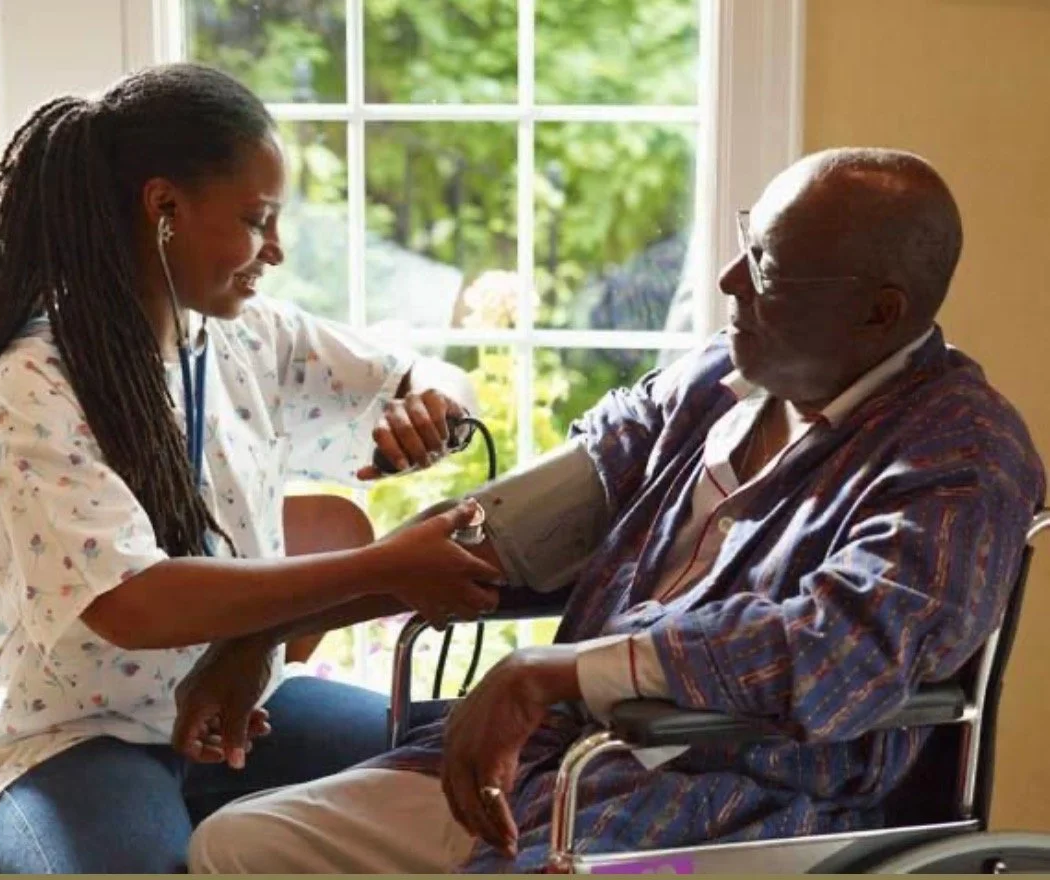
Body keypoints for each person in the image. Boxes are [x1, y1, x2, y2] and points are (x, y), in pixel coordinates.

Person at [188, 147, 1047, 874]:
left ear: (879, 312)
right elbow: (507, 528)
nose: (728, 278)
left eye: (771, 268)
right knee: (241, 845)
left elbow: (838, 650)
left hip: (750, 795)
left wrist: (557, 670)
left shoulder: (962, 454)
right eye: (750, 242)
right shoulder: (719, 378)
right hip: (558, 761)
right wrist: (263, 631)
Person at [0, 62, 506, 874]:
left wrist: (435, 410)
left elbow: (432, 376)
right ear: (164, 208)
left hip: (255, 712)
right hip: (73, 744)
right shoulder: (35, 384)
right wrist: (385, 568)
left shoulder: (248, 338)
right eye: (255, 219)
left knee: (481, 765)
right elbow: (135, 604)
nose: (275, 249)